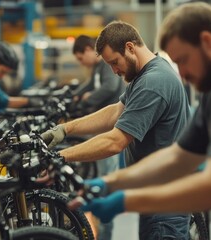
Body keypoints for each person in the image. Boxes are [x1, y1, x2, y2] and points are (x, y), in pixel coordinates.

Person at [68, 2, 211, 240]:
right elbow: (178, 157)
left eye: (182, 60)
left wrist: (126, 200)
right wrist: (110, 183)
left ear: (207, 42)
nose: (181, 75)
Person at [42, 21, 191, 239]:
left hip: (165, 203)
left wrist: (59, 157)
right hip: (155, 195)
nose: (113, 70)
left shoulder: (153, 82)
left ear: (130, 47)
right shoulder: (147, 73)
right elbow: (115, 112)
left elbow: (115, 141)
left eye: (115, 62)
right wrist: (65, 129)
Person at [71, 34, 126, 240]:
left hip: (110, 127)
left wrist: (87, 100)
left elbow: (110, 87)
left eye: (80, 57)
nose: (80, 62)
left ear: (88, 50)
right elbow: (88, 85)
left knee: (106, 180)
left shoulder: (105, 65)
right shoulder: (96, 68)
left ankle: (105, 232)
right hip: (102, 127)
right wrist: (73, 95)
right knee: (103, 175)